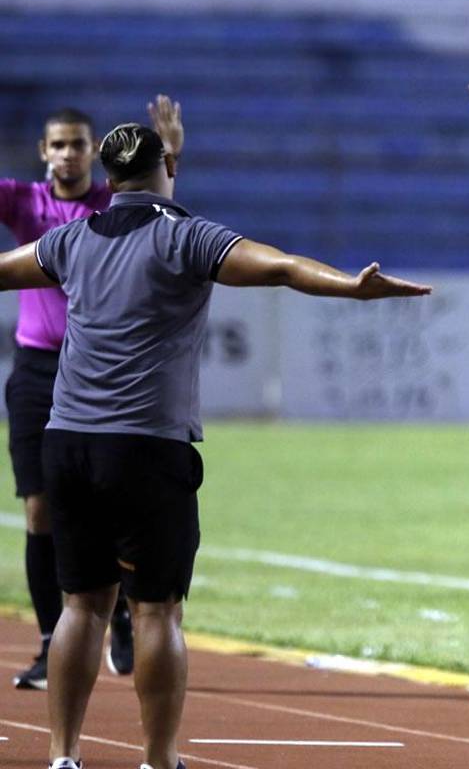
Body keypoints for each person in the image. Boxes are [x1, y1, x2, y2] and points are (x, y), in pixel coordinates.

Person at [0, 121, 432, 769]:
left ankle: (62, 756)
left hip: (69, 444)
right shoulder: (185, 236)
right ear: (165, 170)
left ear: (107, 177)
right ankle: (159, 757)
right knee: (156, 613)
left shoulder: (70, 238)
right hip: (146, 445)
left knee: (81, 608)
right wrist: (351, 286)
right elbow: (282, 267)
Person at [2, 98, 183, 689]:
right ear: (45, 152)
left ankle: (126, 611)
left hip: (97, 373)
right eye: (59, 144)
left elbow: (165, 210)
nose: (69, 153)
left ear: (96, 157)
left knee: (110, 503)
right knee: (39, 510)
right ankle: (52, 640)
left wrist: (171, 155)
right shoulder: (27, 202)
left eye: (80, 143)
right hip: (35, 369)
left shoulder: (113, 205)